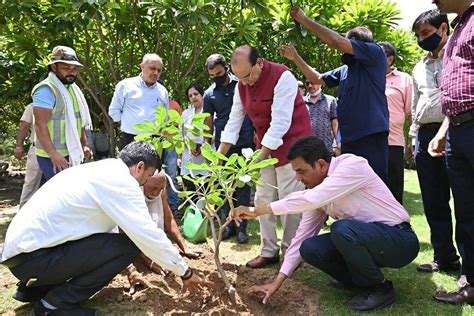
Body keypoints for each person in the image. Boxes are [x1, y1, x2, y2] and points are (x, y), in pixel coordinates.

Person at [1, 141, 212, 315]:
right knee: (131, 245)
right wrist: (185, 272)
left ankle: (36, 289)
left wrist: (130, 270)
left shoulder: (101, 171)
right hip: (35, 259)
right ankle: (55, 304)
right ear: (139, 167)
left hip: (24, 256)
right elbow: (146, 235)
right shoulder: (122, 182)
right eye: (147, 177)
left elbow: (104, 238)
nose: (144, 183)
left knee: (122, 244)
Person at [232, 136, 419, 311]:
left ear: (321, 164)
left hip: (400, 241)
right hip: (371, 240)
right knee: (310, 247)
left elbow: (311, 199)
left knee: (342, 229)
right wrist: (277, 282)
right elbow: (301, 238)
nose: (298, 178)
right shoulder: (319, 194)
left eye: (301, 171)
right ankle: (357, 281)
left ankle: (380, 289)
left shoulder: (351, 166)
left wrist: (257, 210)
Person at [218, 46, 312, 268]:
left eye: (248, 76)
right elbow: (234, 121)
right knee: (263, 198)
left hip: (293, 146)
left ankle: (291, 253)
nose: (246, 83)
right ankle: (268, 250)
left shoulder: (283, 77)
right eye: (240, 79)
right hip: (266, 148)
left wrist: (258, 159)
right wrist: (219, 156)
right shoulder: (242, 85)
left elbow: (280, 122)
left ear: (259, 62)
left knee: (289, 200)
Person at [281, 7, 389, 184]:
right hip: (349, 138)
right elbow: (316, 78)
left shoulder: (375, 53)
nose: (344, 49)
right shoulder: (346, 70)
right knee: (348, 187)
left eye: (350, 44)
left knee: (373, 184)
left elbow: (337, 42)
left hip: (370, 134)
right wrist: (295, 58)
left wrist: (304, 20)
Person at [409, 10, 462, 277]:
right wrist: (413, 136)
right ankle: (445, 257)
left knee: (464, 200)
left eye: (426, 33)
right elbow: (416, 104)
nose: (422, 39)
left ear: (443, 29)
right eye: (418, 35)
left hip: (455, 129)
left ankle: (470, 264)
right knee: (433, 200)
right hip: (425, 135)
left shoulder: (457, 55)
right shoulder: (418, 66)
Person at [429, 0, 474, 305]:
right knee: (467, 211)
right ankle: (471, 282)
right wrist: (444, 130)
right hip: (457, 131)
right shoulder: (459, 27)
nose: (434, 0)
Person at [109, 54, 180, 215]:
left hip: (155, 142)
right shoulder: (125, 85)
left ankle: (153, 217)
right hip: (130, 140)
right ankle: (127, 215)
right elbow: (114, 111)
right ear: (142, 67)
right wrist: (129, 124)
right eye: (152, 68)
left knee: (153, 179)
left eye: (159, 70)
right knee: (129, 179)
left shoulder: (162, 91)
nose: (155, 73)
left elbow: (164, 117)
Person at [203, 53, 255, 244]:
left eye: (219, 72)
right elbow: (207, 124)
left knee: (243, 187)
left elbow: (252, 109)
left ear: (226, 68)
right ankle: (229, 225)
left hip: (245, 141)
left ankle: (242, 228)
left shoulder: (241, 85)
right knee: (226, 188)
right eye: (212, 75)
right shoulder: (209, 95)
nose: (216, 77)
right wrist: (207, 147)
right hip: (223, 147)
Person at [32, 45, 92, 181]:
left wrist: (84, 144)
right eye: (66, 68)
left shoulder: (72, 89)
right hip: (51, 156)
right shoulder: (46, 90)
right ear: (54, 67)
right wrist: (53, 154)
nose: (71, 72)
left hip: (72, 152)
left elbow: (78, 119)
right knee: (62, 196)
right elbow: (40, 125)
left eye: (74, 69)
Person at [139, 170, 201, 274]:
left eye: (160, 189)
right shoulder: (133, 193)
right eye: (153, 188)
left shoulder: (160, 191)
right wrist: (150, 262)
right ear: (143, 181)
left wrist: (185, 247)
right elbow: (131, 232)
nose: (156, 193)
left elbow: (168, 219)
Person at [379, 42, 413, 204]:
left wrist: (414, 140)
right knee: (373, 191)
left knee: (394, 189)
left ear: (390, 59)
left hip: (394, 144)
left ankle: (397, 227)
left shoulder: (404, 80)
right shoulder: (368, 78)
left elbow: (411, 113)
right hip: (370, 143)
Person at [181, 83, 209, 192]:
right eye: (190, 96)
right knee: (190, 189)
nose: (193, 97)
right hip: (189, 154)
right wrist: (191, 146)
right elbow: (181, 134)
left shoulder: (209, 112)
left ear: (202, 95)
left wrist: (202, 146)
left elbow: (215, 132)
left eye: (196, 94)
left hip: (206, 154)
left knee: (206, 190)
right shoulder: (186, 114)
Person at [14, 104, 43, 208]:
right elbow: (24, 126)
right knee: (30, 183)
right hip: (37, 148)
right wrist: (19, 146)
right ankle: (23, 213)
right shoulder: (32, 106)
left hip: (59, 150)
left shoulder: (60, 103)